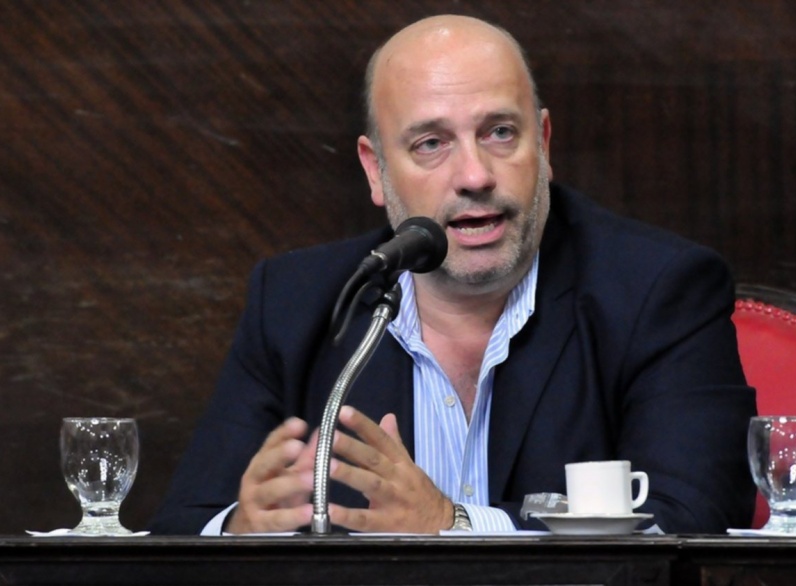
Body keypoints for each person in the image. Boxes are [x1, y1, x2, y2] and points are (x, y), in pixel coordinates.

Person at [149, 14, 756, 536]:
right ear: (376, 170)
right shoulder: (297, 302)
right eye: (431, 144)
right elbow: (184, 526)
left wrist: (453, 525)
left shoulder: (660, 290)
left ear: (544, 144)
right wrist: (240, 529)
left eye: (500, 133)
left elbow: (695, 518)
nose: (474, 175)